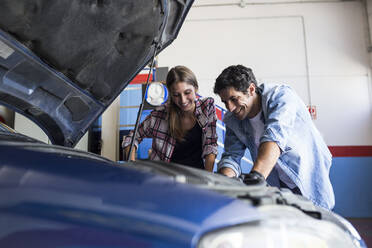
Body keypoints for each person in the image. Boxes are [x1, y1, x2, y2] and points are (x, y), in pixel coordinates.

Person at [213, 65, 335, 209]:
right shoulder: (233, 119)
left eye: (234, 99)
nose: (230, 108)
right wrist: (224, 183)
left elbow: (274, 137)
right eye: (225, 102)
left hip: (306, 176)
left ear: (251, 89)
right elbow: (231, 157)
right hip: (276, 182)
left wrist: (255, 178)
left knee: (315, 222)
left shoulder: (281, 96)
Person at [123, 65, 218, 171]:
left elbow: (210, 146)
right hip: (164, 179)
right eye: (176, 95)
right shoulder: (159, 115)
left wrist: (207, 180)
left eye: (187, 93)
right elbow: (131, 138)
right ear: (170, 94)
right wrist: (131, 166)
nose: (183, 100)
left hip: (197, 178)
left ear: (195, 88)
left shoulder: (207, 108)